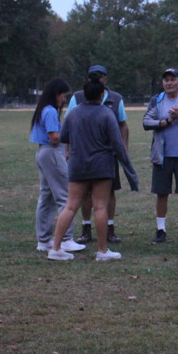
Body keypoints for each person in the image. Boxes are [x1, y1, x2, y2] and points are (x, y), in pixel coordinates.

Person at [50, 79, 137, 262]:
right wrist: (128, 168)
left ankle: (55, 248)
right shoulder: (106, 113)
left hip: (78, 165)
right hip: (102, 166)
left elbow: (64, 136)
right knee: (100, 206)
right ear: (101, 94)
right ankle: (102, 251)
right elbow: (117, 143)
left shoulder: (73, 113)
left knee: (70, 206)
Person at [68, 65, 128, 244]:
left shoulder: (116, 99)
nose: (97, 79)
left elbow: (123, 124)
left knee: (110, 192)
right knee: (85, 193)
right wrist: (68, 149)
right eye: (93, 76)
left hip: (108, 155)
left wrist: (123, 149)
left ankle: (110, 229)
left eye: (100, 76)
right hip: (83, 153)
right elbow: (69, 124)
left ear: (105, 78)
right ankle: (86, 228)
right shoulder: (77, 97)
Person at [143, 67, 178, 245]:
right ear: (163, 83)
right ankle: (161, 230)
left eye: (173, 79)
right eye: (166, 80)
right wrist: (165, 121)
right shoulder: (157, 100)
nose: (169, 83)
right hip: (162, 156)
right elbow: (146, 122)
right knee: (162, 193)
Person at [30, 78, 85, 257]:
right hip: (52, 153)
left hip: (42, 153)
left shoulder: (43, 109)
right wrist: (70, 133)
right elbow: (54, 137)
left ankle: (44, 240)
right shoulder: (51, 111)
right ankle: (66, 238)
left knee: (46, 197)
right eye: (63, 95)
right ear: (56, 94)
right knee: (65, 195)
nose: (64, 99)